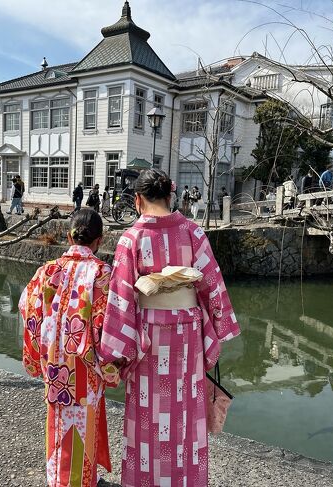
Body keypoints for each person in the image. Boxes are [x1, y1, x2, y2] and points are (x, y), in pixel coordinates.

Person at [99, 169, 240, 487]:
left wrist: (114, 352)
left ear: (137, 200)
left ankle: (145, 479)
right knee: (185, 411)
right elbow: (212, 285)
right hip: (187, 334)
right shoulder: (193, 232)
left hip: (148, 335)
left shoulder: (131, 238)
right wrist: (219, 327)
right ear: (170, 196)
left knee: (148, 412)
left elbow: (121, 297)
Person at [20, 209, 120, 487]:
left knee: (59, 421)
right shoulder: (102, 275)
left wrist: (36, 355)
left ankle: (58, 479)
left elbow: (28, 309)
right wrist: (112, 366)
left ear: (68, 236)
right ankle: (79, 481)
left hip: (55, 367)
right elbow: (109, 327)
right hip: (85, 368)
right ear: (100, 240)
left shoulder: (47, 271)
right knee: (83, 421)